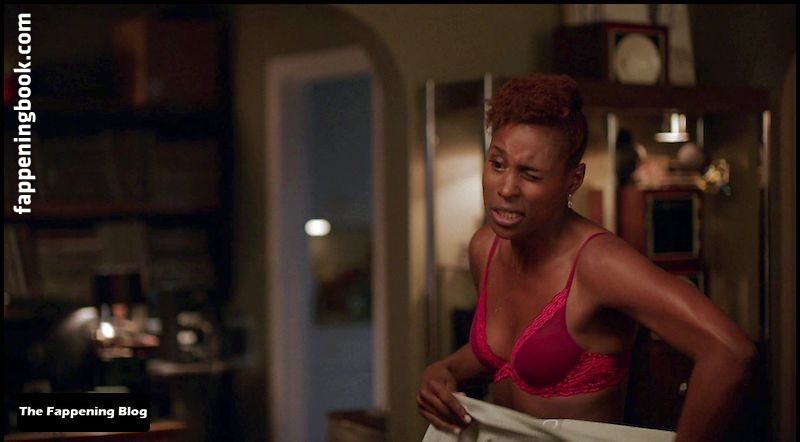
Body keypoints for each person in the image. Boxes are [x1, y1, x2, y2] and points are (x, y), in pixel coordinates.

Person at [416, 74, 755, 442]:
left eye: (530, 174)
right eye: (498, 164)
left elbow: (729, 352)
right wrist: (446, 369)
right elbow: (503, 353)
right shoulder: (485, 248)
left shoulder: (599, 264)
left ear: (573, 179)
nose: (507, 188)